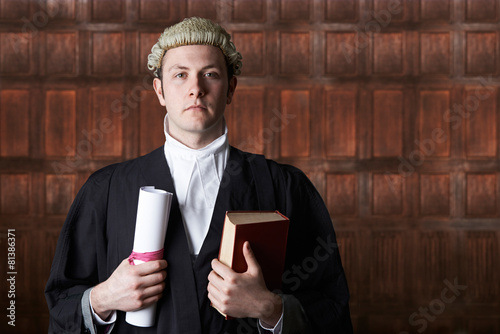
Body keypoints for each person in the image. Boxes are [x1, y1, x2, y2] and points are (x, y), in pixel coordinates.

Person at [45, 17, 353, 334]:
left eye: (210, 74)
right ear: (160, 90)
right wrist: (103, 299)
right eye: (180, 75)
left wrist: (269, 309)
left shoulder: (286, 187)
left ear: (230, 88)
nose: (196, 89)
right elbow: (62, 304)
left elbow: (331, 305)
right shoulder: (105, 190)